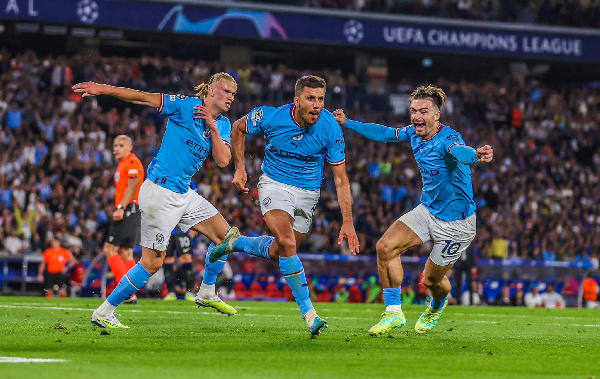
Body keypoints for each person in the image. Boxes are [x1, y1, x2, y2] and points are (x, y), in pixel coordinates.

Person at [73, 72, 240, 328]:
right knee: (152, 263)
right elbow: (142, 98)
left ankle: (207, 291)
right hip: (159, 193)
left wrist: (213, 126)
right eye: (227, 91)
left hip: (184, 193)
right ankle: (104, 311)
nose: (231, 97)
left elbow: (223, 160)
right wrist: (103, 89)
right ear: (212, 90)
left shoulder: (224, 124)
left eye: (233, 94)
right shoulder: (185, 106)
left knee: (227, 238)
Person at [333, 84, 493, 336]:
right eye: (413, 111)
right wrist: (347, 122)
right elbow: (385, 133)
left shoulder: (448, 138)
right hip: (428, 210)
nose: (417, 116)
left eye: (424, 111)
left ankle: (437, 306)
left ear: (437, 115)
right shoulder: (413, 134)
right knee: (385, 247)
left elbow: (460, 152)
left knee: (430, 281)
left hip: (457, 224)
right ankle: (393, 313)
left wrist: (476, 155)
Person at [210, 75, 360, 337]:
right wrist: (241, 168)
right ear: (296, 100)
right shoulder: (271, 117)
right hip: (274, 185)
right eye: (310, 98)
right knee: (288, 242)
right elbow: (237, 127)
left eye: (321, 99)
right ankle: (310, 314)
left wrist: (348, 221)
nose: (316, 105)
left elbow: (341, 178)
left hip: (308, 193)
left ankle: (236, 243)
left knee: (282, 250)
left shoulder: (331, 129)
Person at [104, 135, 144, 304]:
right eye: (115, 145)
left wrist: (121, 207)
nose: (117, 148)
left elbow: (133, 184)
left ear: (130, 147)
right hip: (132, 211)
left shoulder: (132, 162)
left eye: (121, 145)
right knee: (126, 252)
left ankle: (126, 292)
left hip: (128, 210)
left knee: (109, 249)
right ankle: (131, 292)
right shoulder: (123, 164)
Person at [163, 227, 198, 301]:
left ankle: (189, 291)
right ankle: (171, 292)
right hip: (167, 229)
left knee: (186, 258)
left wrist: (194, 226)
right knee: (167, 260)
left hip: (183, 229)